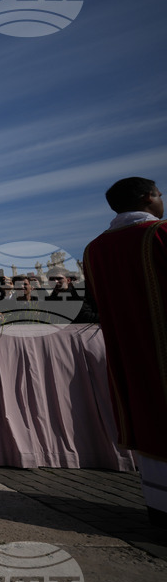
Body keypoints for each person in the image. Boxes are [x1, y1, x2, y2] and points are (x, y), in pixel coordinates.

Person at [84, 176, 166, 528]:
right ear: (149, 198)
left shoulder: (95, 249)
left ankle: (159, 506)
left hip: (128, 352)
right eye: (160, 194)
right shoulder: (160, 234)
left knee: (148, 417)